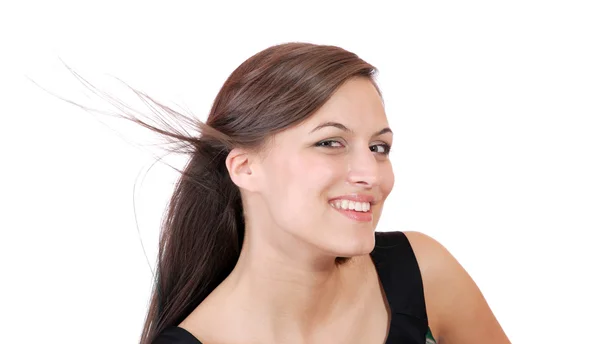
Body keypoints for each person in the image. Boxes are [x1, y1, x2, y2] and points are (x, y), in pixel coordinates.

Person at [135, 43, 510, 344]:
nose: (369, 175)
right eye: (330, 142)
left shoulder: (423, 274)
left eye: (379, 148)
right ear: (246, 168)